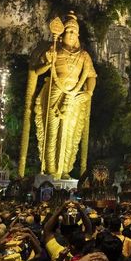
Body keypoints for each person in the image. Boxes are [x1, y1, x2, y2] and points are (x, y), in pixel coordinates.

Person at [32, 12, 97, 179]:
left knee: (70, 133)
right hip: (55, 90)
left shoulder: (83, 56)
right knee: (51, 131)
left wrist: (88, 92)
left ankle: (65, 169)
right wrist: (48, 63)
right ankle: (50, 169)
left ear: (78, 35)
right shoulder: (54, 49)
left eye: (74, 32)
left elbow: (91, 76)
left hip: (74, 96)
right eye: (68, 31)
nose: (71, 34)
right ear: (62, 33)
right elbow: (37, 71)